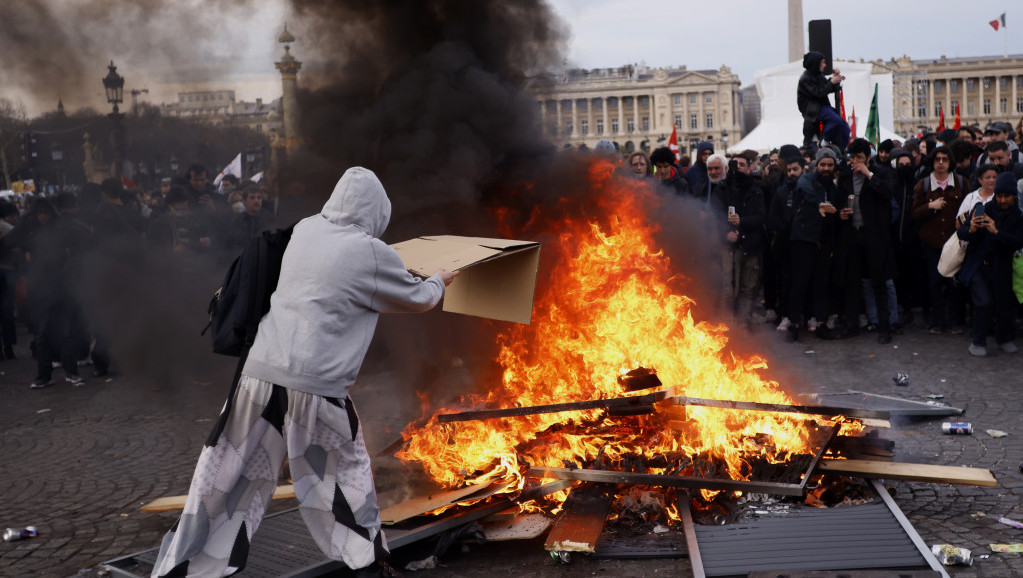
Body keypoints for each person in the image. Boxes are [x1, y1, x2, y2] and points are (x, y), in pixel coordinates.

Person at [151, 167, 459, 578]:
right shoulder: (369, 251)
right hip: (316, 389)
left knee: (226, 478)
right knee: (342, 480)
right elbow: (418, 298)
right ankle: (368, 566)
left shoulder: (306, 230)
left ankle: (185, 568)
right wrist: (440, 281)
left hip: (257, 379)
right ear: (376, 211)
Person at [834, 138, 896, 344]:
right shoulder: (845, 176)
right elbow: (837, 202)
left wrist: (868, 174)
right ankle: (852, 325)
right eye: (852, 158)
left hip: (875, 237)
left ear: (868, 158)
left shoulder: (880, 173)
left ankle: (884, 327)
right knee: (852, 282)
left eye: (859, 158)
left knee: (879, 281)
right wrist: (840, 214)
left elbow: (887, 193)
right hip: (852, 234)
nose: (855, 163)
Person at [957, 172, 1023, 356]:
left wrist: (996, 232)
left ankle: (1004, 339)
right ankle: (978, 341)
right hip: (979, 265)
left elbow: (1018, 241)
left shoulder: (1017, 217)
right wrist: (971, 229)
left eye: (1006, 196)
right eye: (999, 195)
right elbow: (961, 233)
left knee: (1003, 304)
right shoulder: (984, 209)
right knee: (983, 302)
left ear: (1013, 196)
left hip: (1002, 266)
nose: (1002, 200)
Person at [785, 148, 843, 342]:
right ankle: (793, 323)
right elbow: (804, 189)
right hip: (803, 240)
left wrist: (839, 214)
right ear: (816, 166)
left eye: (830, 165)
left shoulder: (833, 188)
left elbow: (834, 211)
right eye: (823, 165)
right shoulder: (807, 180)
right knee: (799, 283)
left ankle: (820, 323)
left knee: (821, 284)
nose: (826, 168)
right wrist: (819, 204)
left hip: (824, 243)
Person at [912, 146, 967, 334]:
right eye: (937, 159)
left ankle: (953, 322)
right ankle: (937, 321)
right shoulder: (923, 185)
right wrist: (930, 206)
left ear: (950, 162)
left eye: (944, 159)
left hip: (954, 243)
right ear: (932, 162)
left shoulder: (961, 183)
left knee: (953, 284)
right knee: (934, 283)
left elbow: (969, 208)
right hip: (932, 244)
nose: (941, 163)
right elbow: (914, 213)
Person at [768, 156, 805, 332]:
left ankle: (801, 317)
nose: (792, 173)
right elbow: (772, 216)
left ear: (802, 169)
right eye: (789, 170)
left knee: (802, 282)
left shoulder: (808, 189)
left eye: (795, 170)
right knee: (785, 282)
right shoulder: (781, 191)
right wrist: (783, 230)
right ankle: (785, 316)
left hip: (804, 244)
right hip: (785, 244)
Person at [797, 51, 849, 152]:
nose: (825, 65)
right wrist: (832, 82)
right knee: (836, 121)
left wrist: (835, 78)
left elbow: (827, 86)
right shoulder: (805, 78)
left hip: (822, 107)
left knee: (844, 127)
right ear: (816, 63)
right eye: (823, 63)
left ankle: (840, 151)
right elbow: (819, 92)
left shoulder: (818, 75)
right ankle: (825, 141)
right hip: (814, 110)